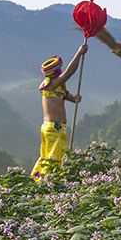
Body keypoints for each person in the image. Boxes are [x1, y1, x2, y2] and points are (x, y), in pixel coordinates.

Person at [31, 44, 87, 179]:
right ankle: (47, 183)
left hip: (51, 127)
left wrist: (73, 99)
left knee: (47, 156)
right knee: (54, 158)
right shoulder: (51, 83)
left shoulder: (54, 85)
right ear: (56, 72)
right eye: (59, 69)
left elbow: (62, 94)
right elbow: (69, 73)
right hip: (54, 128)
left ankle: (38, 178)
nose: (61, 71)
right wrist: (79, 54)